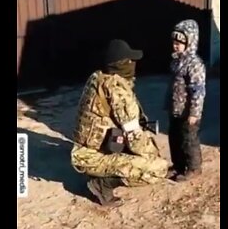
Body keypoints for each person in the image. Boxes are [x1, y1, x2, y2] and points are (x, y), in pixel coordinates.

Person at [70, 39, 169, 206]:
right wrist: (153, 156)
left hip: (85, 150)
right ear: (122, 64)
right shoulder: (118, 90)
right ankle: (101, 184)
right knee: (158, 168)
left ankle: (100, 173)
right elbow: (134, 137)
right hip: (93, 157)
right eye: (130, 61)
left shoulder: (97, 78)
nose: (133, 65)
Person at [166, 19, 206, 182]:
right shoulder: (176, 61)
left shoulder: (195, 64)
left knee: (189, 140)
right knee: (174, 138)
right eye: (174, 41)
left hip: (188, 111)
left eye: (180, 42)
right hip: (175, 109)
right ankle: (178, 165)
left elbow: (198, 90)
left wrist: (194, 113)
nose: (176, 45)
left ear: (190, 42)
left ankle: (194, 167)